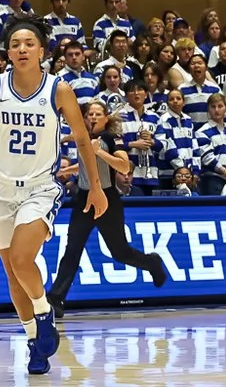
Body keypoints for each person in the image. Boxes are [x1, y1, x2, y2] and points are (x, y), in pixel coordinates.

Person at [0, 19, 111, 375]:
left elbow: (81, 140)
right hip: (0, 188)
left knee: (21, 258)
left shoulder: (58, 90)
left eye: (29, 43)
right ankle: (35, 340)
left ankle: (44, 314)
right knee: (12, 275)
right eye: (15, 43)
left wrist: (94, 186)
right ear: (8, 51)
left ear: (42, 51)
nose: (21, 49)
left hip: (39, 188)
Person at [45, 99, 169, 318]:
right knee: (72, 250)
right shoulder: (84, 138)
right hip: (84, 198)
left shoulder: (113, 138)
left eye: (97, 114)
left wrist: (99, 152)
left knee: (119, 252)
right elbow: (85, 165)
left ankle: (152, 262)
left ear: (106, 118)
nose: (92, 117)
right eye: (89, 114)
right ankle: (55, 299)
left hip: (107, 198)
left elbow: (124, 166)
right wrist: (65, 172)